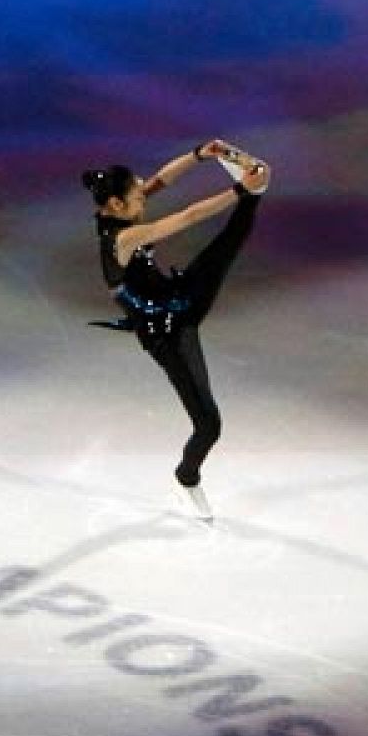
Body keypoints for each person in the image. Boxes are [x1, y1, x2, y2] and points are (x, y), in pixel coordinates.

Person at [83, 140, 271, 521]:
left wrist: (200, 154)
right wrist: (237, 190)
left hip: (180, 296)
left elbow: (162, 181)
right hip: (165, 333)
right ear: (117, 205)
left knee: (228, 244)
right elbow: (185, 218)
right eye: (137, 196)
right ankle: (186, 478)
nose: (145, 198)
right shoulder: (122, 238)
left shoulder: (122, 210)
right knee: (209, 425)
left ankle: (257, 190)